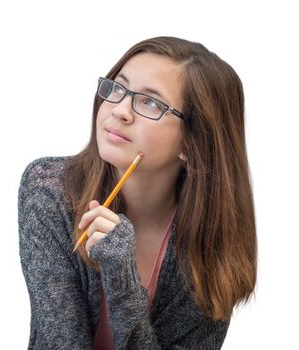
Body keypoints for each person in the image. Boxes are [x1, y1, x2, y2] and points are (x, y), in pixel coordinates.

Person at [18, 36, 257, 349]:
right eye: (118, 88)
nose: (120, 110)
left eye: (151, 102)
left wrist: (122, 276)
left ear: (192, 142)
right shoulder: (49, 190)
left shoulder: (211, 240)